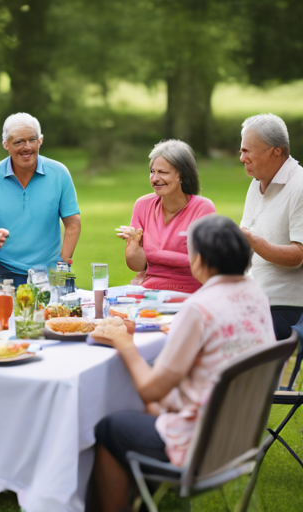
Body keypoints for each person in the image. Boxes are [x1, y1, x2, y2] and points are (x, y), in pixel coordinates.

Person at [89, 215, 275, 511]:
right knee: (144, 397)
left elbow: (151, 390)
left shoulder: (199, 307)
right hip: (240, 434)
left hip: (202, 442)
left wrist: (124, 344)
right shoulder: (255, 295)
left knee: (110, 426)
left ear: (199, 260)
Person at [0, 112, 81, 293]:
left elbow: (73, 223)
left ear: (40, 141)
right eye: (18, 142)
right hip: (3, 271)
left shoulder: (59, 173)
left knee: (60, 320)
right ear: (6, 145)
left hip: (50, 272)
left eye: (32, 140)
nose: (27, 147)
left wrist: (63, 264)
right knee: (5, 320)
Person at [117, 139, 215, 293]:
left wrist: (154, 254)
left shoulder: (202, 208)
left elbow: (203, 263)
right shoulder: (142, 205)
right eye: (152, 171)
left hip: (191, 293)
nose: (154, 179)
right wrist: (133, 244)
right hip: (151, 293)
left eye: (162, 172)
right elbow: (137, 266)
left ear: (181, 175)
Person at [239, 113, 303, 340]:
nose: (241, 158)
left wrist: (250, 239)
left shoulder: (300, 185)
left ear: (275, 151)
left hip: (286, 307)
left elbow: (298, 255)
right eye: (241, 151)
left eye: (247, 151)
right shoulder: (255, 184)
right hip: (249, 297)